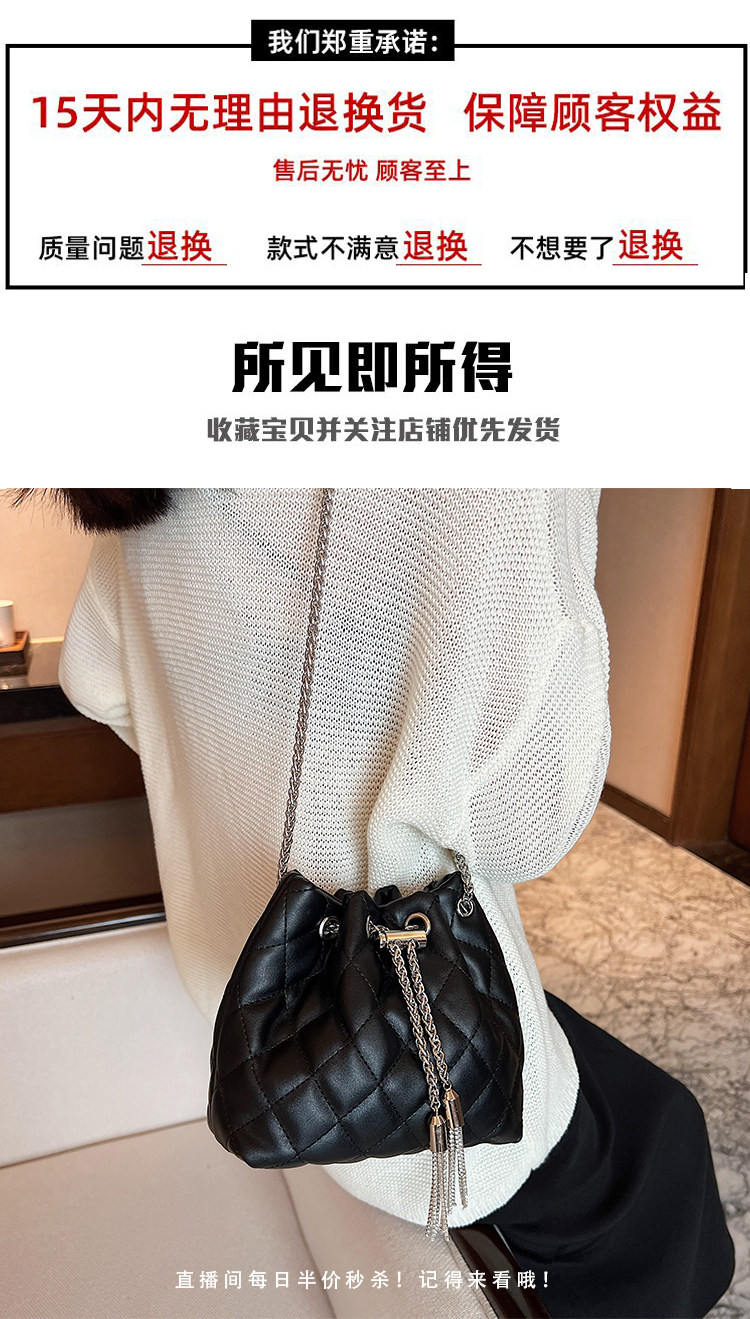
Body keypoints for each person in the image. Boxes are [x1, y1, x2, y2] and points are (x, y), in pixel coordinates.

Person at [51, 487, 733, 1318]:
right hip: (410, 1049)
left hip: (242, 992)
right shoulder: (482, 461)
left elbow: (95, 678)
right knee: (665, 1162)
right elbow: (527, 823)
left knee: (650, 1112)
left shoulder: (145, 442)